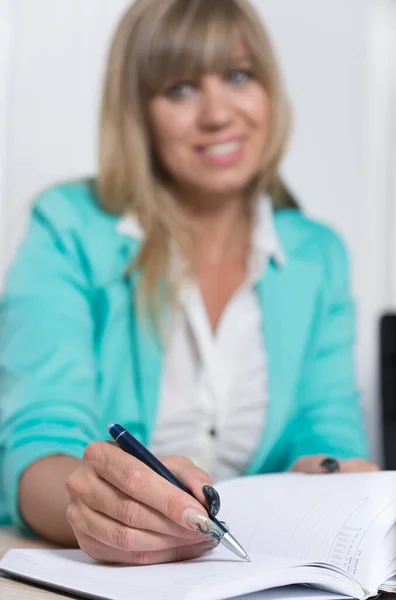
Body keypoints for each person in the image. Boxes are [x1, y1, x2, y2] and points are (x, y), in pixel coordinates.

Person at [0, 0, 378, 565]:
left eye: (238, 76)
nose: (218, 113)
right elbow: (38, 437)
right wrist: (95, 508)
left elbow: (327, 424)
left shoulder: (318, 255)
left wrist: (323, 472)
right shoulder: (69, 227)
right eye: (180, 89)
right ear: (138, 114)